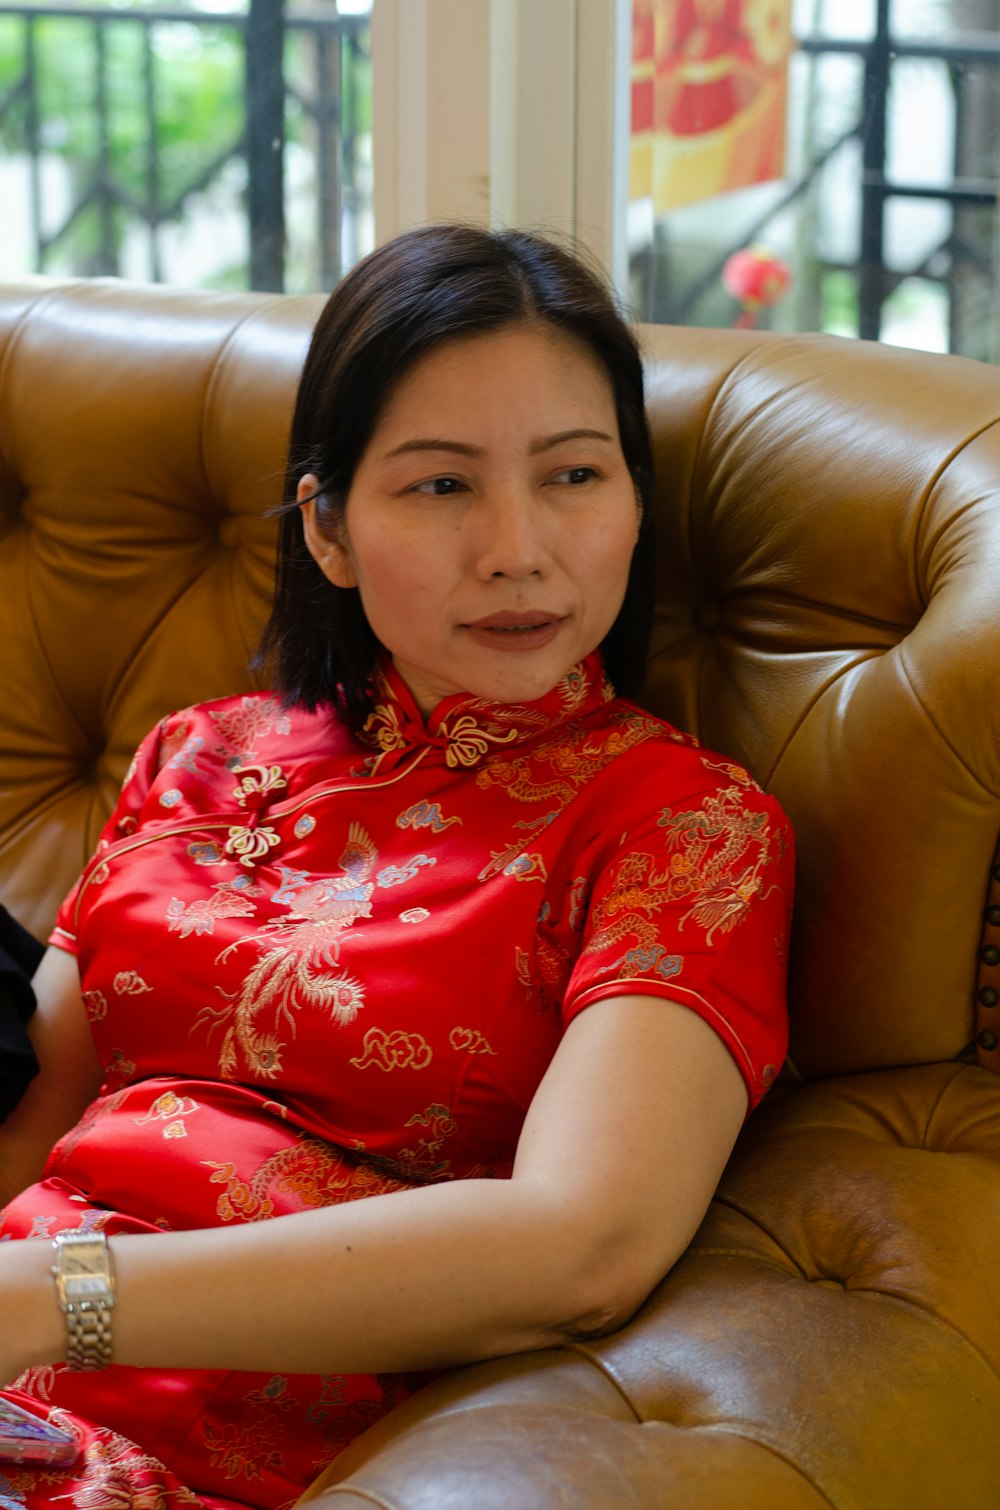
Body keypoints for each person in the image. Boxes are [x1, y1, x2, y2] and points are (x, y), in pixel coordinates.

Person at [0, 224, 793, 1509]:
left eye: (575, 475)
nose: (517, 548)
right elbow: (33, 1123)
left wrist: (59, 1298)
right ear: (326, 526)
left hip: (228, 1447)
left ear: (636, 503)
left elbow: (578, 1243)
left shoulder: (681, 825)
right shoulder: (196, 756)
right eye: (439, 486)